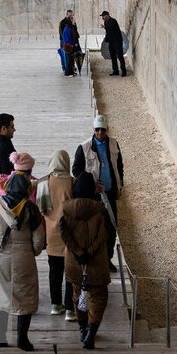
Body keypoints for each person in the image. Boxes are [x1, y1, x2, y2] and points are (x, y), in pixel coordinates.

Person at [0, 173, 45, 351]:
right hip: (24, 258)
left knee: (1, 296)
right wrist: (32, 251)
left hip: (1, 257)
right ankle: (22, 339)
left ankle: (1, 338)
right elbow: (39, 240)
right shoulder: (32, 209)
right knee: (25, 296)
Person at [60, 172, 110, 349]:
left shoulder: (66, 210)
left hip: (74, 262)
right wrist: (89, 252)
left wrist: (79, 252)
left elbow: (64, 235)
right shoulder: (100, 210)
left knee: (76, 296)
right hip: (96, 263)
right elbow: (104, 234)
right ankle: (91, 332)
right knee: (98, 297)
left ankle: (81, 329)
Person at [72, 114, 123, 272]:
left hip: (109, 194)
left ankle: (107, 260)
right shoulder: (84, 147)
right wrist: (92, 185)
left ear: (107, 129)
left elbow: (119, 167)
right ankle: (94, 260)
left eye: (103, 130)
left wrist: (120, 186)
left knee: (111, 228)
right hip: (93, 197)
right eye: (97, 130)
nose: (100, 133)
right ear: (93, 129)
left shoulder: (114, 144)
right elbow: (76, 171)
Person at [36, 150, 75, 320]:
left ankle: (55, 305)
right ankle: (69, 310)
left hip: (51, 234)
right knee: (70, 273)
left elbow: (41, 209)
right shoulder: (73, 182)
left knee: (54, 272)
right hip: (69, 234)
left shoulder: (44, 183)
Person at [100, 10, 126, 77]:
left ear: (108, 15)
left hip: (117, 41)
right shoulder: (105, 22)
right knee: (113, 56)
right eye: (102, 17)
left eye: (104, 16)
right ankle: (115, 71)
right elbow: (108, 31)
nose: (103, 18)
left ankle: (124, 71)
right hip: (111, 41)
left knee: (120, 56)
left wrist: (105, 27)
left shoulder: (113, 21)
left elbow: (112, 28)